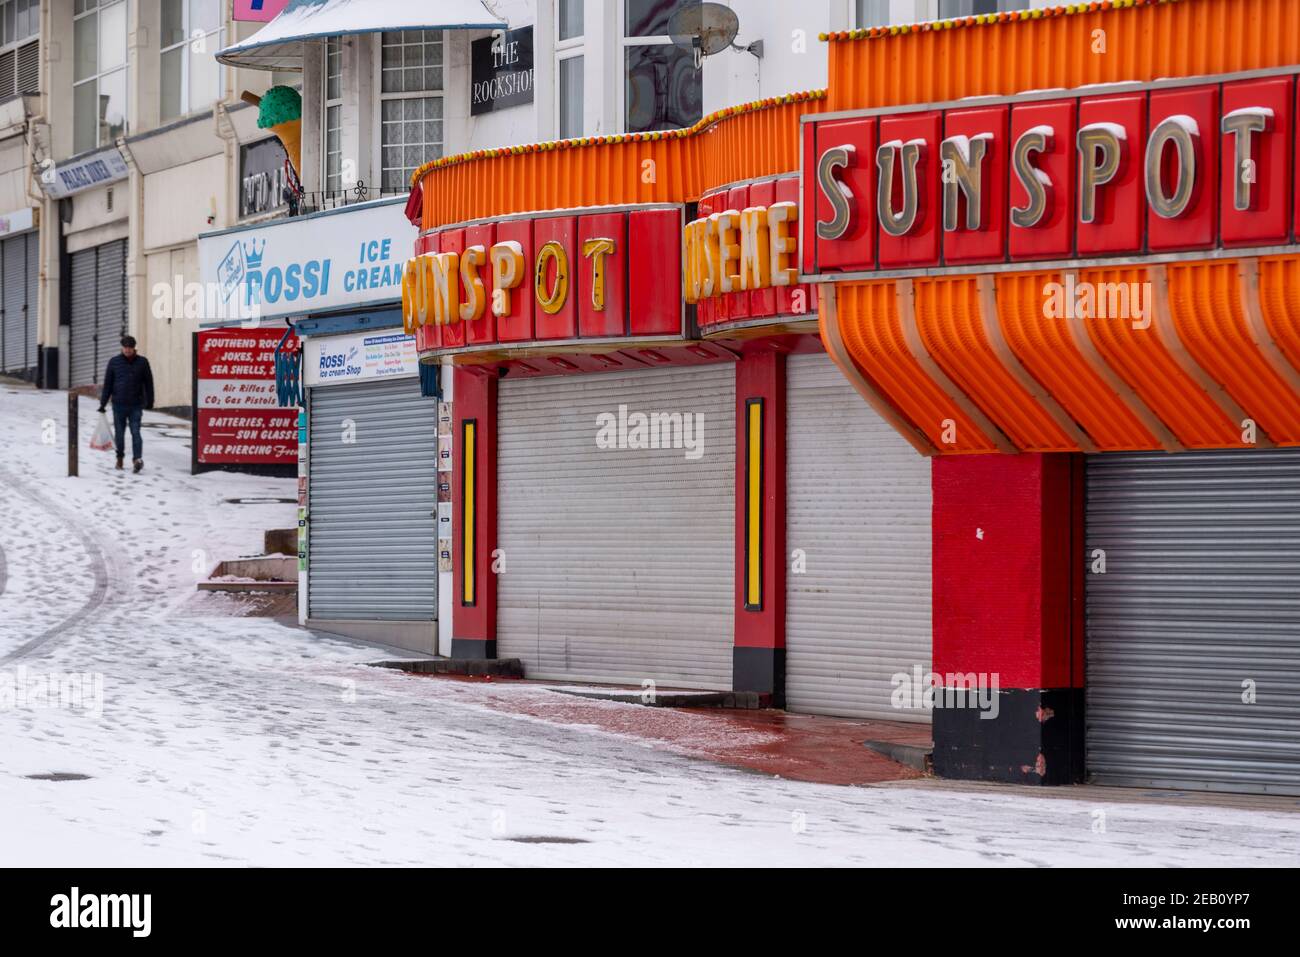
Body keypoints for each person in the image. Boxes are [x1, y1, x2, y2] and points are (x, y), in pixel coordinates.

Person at [98, 335, 155, 473]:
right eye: (125, 347)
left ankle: (137, 459)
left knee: (136, 432)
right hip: (118, 404)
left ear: (134, 348)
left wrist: (150, 401)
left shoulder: (142, 362)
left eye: (130, 348)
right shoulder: (114, 362)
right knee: (119, 434)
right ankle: (120, 458)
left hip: (136, 404)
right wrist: (103, 404)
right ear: (122, 348)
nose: (127, 350)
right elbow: (108, 385)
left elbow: (148, 383)